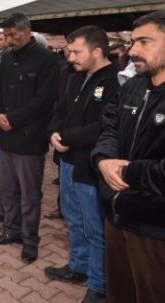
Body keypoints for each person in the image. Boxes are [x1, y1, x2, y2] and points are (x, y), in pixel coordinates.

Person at [92, 10, 165, 302]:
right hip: (119, 221)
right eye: (132, 42)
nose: (132, 51)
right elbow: (109, 128)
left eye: (144, 41)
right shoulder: (134, 85)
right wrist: (103, 161)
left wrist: (127, 174)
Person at [44, 26, 120, 303]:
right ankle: (78, 266)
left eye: (77, 51)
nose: (70, 56)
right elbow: (60, 109)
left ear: (97, 51)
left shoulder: (115, 80)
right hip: (67, 160)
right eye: (69, 51)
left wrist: (68, 137)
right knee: (73, 217)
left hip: (91, 166)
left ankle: (99, 285)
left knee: (94, 227)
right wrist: (54, 132)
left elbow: (107, 125)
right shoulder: (75, 76)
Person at [0, 13, 59, 264]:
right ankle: (11, 230)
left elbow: (44, 100)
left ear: (27, 31)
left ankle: (30, 240)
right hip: (6, 137)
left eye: (12, 35)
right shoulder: (7, 58)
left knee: (30, 195)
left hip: (29, 139)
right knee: (7, 189)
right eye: (5, 35)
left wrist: (14, 119)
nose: (8, 40)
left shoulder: (47, 60)